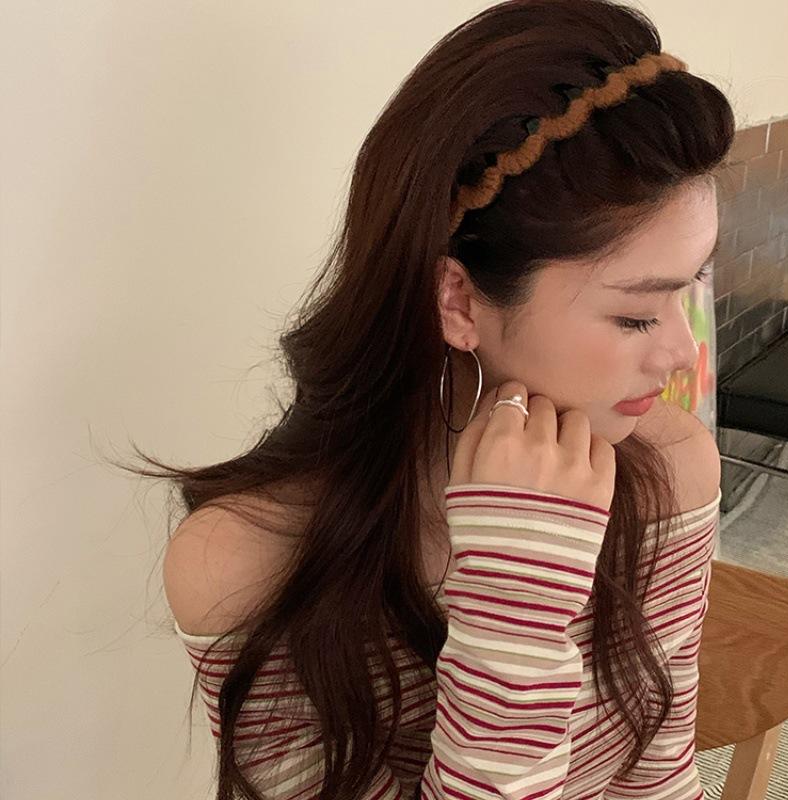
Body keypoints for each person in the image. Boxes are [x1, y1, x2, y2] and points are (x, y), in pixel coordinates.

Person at [124, 1, 738, 797]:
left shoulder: (668, 470)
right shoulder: (246, 568)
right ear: (458, 299)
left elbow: (657, 779)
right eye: (635, 314)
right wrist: (516, 599)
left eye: (689, 288)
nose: (681, 352)